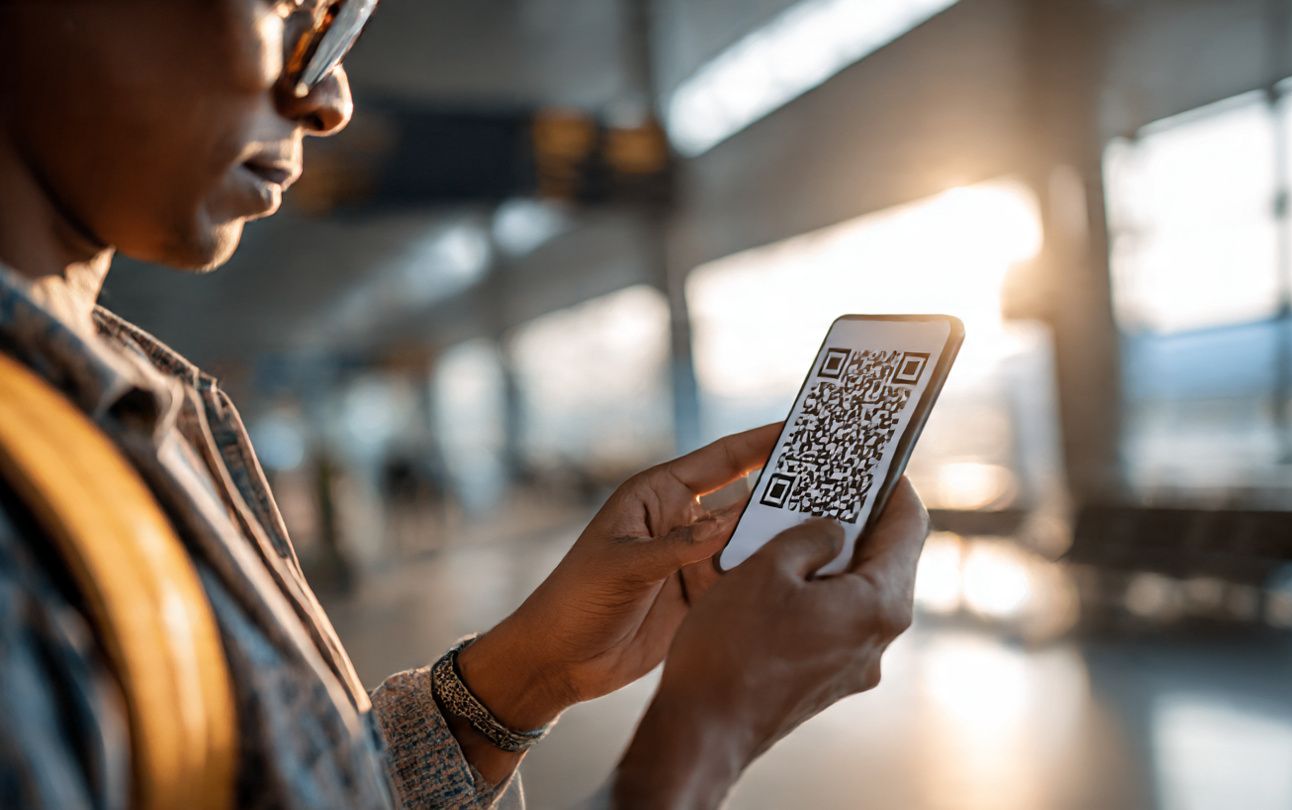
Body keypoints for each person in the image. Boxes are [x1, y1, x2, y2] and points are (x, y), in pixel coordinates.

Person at [0, 2, 928, 808]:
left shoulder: (141, 395)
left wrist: (525, 675)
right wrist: (702, 741)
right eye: (287, 4)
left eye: (341, 26)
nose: (328, 100)